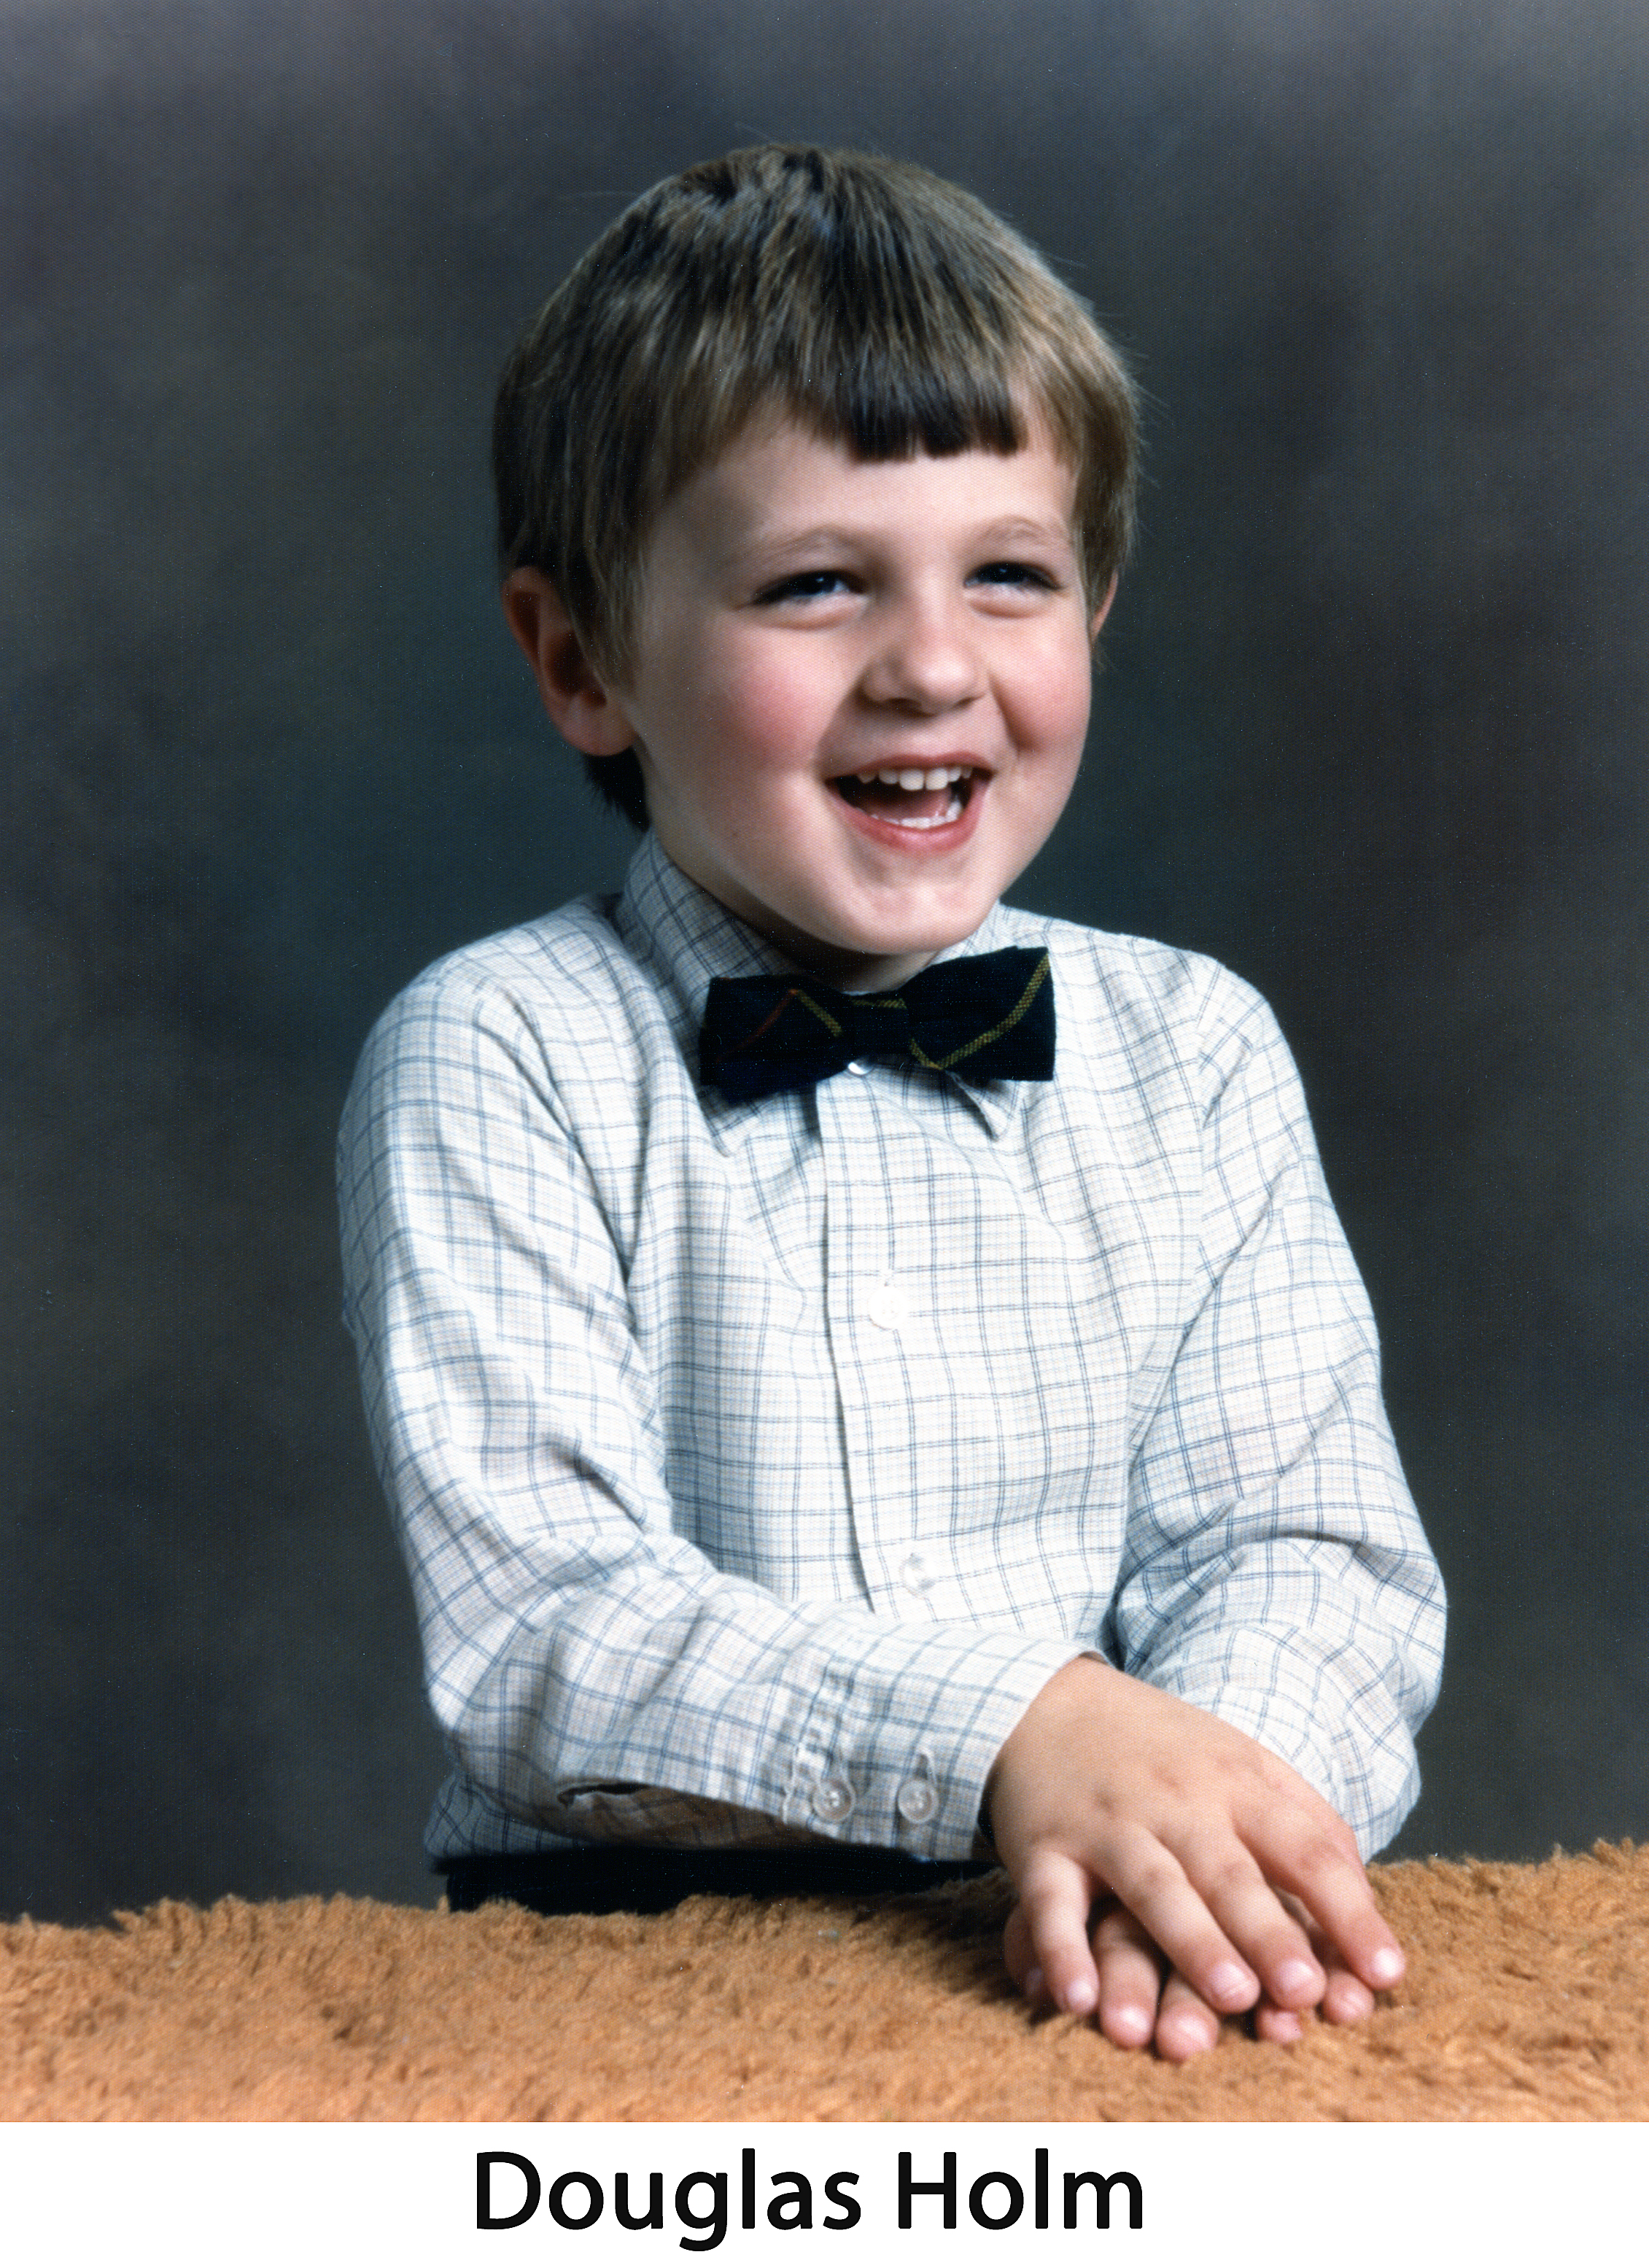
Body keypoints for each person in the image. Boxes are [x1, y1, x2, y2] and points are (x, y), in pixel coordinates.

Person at [338, 145, 1444, 2062]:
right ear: (580, 659)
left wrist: (1196, 1821)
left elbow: (1308, 1549)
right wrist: (1023, 1730)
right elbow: (547, 1632)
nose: (932, 668)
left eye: (1008, 577)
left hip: (1098, 1957)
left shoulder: (1197, 1050)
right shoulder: (498, 1050)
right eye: (817, 585)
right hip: (612, 1987)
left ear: (1093, 603)